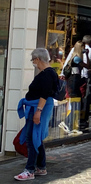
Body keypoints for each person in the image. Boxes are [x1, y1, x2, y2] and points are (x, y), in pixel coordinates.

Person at [14, 48, 59, 181]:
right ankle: (41, 166)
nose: (33, 63)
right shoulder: (49, 73)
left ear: (38, 59)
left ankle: (30, 170)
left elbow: (44, 94)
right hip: (37, 107)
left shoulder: (46, 74)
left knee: (32, 138)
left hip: (38, 108)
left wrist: (38, 111)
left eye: (33, 60)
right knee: (36, 137)